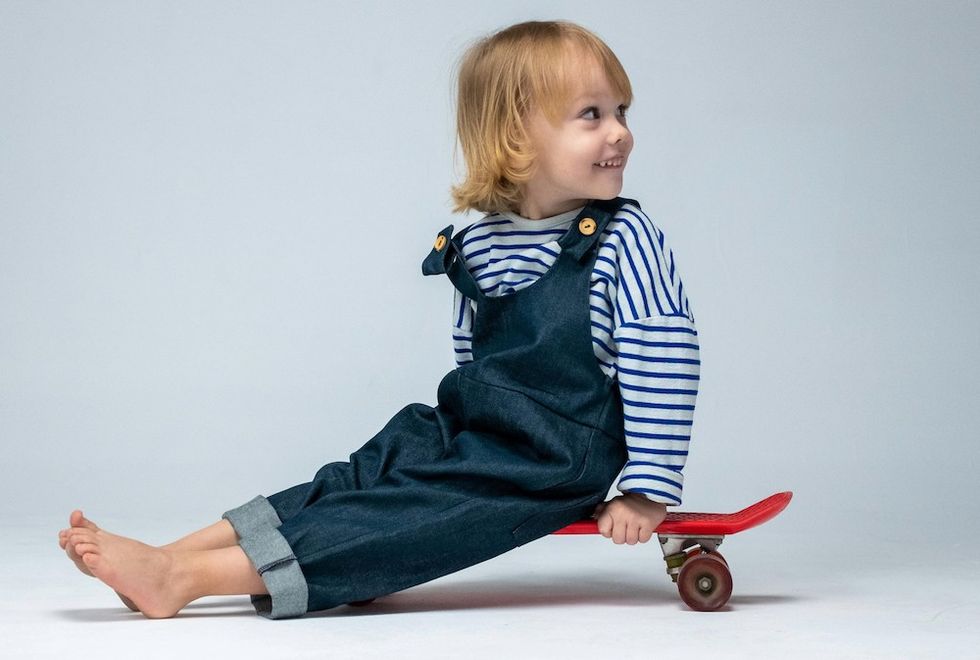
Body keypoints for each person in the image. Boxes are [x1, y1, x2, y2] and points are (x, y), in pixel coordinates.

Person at [58, 19, 700, 620]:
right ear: (515, 135)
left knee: (407, 511)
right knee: (363, 474)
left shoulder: (625, 238)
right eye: (592, 115)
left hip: (553, 456)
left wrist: (646, 488)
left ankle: (183, 579)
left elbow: (664, 360)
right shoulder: (478, 242)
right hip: (476, 427)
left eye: (621, 111)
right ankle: (171, 552)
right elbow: (474, 358)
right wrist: (460, 433)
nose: (619, 133)